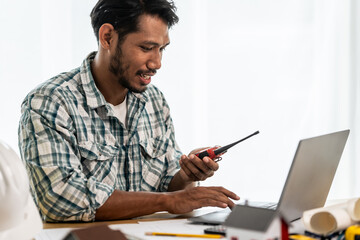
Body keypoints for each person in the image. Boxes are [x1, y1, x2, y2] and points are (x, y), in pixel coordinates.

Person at [18, 0, 239, 222]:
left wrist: (186, 175)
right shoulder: (50, 102)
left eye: (161, 49)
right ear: (108, 38)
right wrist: (167, 201)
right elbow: (59, 200)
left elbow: (168, 184)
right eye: (146, 48)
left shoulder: (154, 100)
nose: (157, 63)